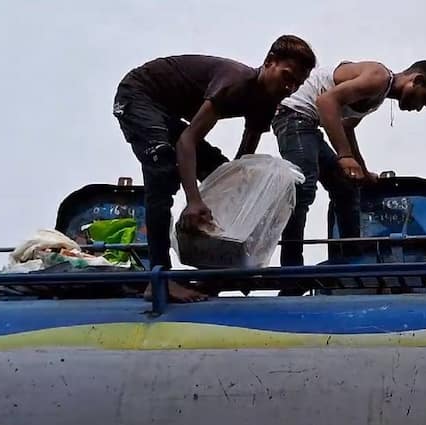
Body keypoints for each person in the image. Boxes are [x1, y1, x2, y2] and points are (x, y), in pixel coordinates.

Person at [113, 35, 316, 302]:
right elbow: (187, 140)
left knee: (222, 174)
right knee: (163, 167)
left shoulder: (268, 102)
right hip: (138, 94)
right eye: (286, 76)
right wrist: (194, 200)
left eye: (296, 85)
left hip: (167, 114)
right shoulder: (236, 82)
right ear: (269, 62)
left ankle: (217, 274)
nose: (289, 88)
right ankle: (158, 277)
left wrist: (240, 204)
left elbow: (240, 162)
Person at [271, 60, 426, 282]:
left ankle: (351, 263)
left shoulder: (379, 93)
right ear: (417, 80)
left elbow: (346, 127)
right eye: (423, 99)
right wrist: (344, 156)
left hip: (308, 125)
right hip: (293, 115)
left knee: (346, 189)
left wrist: (362, 170)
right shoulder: (379, 78)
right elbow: (326, 102)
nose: (419, 108)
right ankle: (291, 272)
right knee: (304, 189)